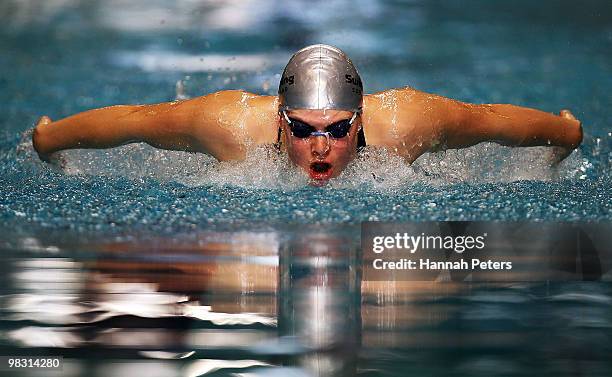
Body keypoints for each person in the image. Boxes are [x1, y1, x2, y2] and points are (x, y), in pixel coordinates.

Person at [32, 44, 583, 183]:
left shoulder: (409, 124)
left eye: (338, 131)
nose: (320, 147)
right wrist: (50, 140)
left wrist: (565, 132)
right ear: (279, 121)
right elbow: (135, 120)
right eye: (302, 130)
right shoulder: (227, 126)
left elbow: (487, 118)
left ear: (361, 121)